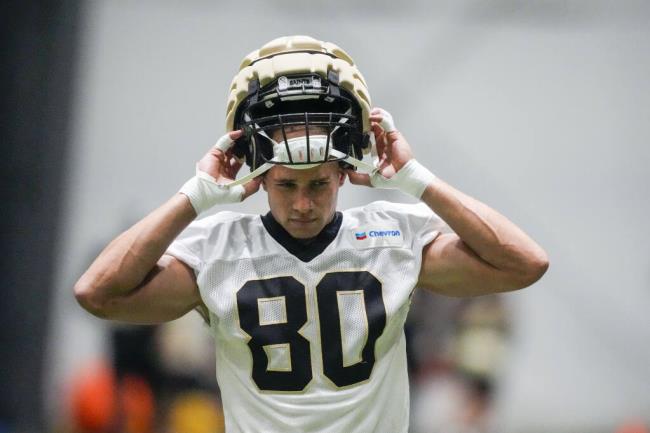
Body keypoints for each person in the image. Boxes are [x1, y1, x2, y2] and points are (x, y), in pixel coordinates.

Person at [74, 35, 548, 433]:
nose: (303, 203)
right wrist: (194, 195)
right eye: (287, 185)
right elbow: (97, 293)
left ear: (344, 173)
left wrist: (416, 178)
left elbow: (525, 263)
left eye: (318, 183)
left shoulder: (394, 235)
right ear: (258, 176)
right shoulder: (216, 248)